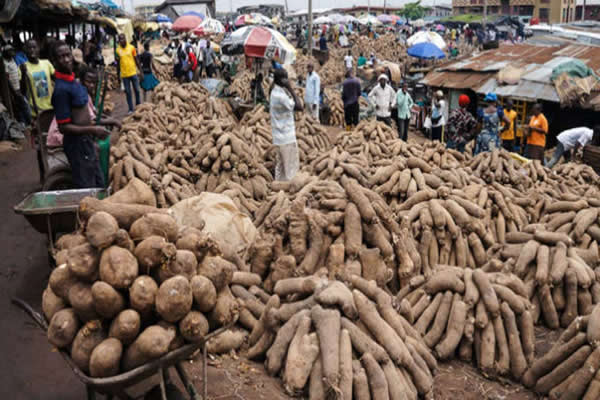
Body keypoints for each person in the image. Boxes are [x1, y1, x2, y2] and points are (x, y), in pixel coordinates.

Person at [50, 41, 109, 188]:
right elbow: (63, 127)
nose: (66, 59)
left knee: (98, 182)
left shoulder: (74, 82)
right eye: (61, 57)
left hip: (86, 141)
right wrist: (93, 129)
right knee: (87, 186)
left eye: (68, 55)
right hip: (77, 144)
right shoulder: (61, 90)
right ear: (54, 61)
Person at [47, 66, 121, 147]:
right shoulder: (77, 93)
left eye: (93, 83)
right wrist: (113, 121)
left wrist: (107, 118)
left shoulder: (85, 94)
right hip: (61, 135)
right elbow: (90, 121)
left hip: (75, 130)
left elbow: (94, 114)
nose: (91, 85)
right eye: (88, 82)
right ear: (81, 80)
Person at [270, 68, 303, 181]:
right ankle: (287, 193)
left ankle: (278, 189)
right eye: (286, 78)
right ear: (282, 80)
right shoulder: (280, 96)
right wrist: (290, 88)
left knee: (280, 168)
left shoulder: (275, 91)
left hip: (279, 138)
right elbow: (299, 107)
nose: (288, 80)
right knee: (290, 170)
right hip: (286, 137)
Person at [20, 39, 54, 118]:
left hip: (51, 107)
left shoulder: (46, 63)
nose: (32, 50)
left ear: (38, 49)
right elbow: (23, 91)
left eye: (34, 47)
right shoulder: (23, 67)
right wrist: (23, 74)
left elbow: (56, 79)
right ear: (25, 51)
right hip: (35, 111)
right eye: (29, 48)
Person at [3, 44, 31, 125]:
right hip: (13, 90)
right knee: (23, 106)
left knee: (21, 106)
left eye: (12, 50)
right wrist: (14, 92)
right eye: (10, 51)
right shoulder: (5, 63)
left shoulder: (13, 60)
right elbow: (7, 79)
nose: (12, 52)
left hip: (18, 87)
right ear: (5, 52)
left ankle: (24, 122)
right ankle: (27, 122)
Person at [115, 34, 142, 114]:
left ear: (125, 39)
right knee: (128, 92)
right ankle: (130, 109)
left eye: (123, 39)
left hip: (133, 72)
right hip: (124, 75)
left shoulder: (132, 48)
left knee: (137, 90)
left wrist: (140, 71)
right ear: (119, 41)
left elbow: (136, 59)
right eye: (120, 39)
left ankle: (138, 105)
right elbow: (118, 63)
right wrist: (117, 75)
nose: (122, 41)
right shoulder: (117, 50)